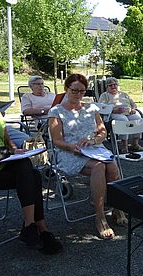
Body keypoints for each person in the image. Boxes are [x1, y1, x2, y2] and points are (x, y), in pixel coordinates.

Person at [0, 72, 62, 254]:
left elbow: (5, 138)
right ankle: (39, 228)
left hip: (1, 160)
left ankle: (31, 226)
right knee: (30, 175)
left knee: (28, 169)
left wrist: (14, 149)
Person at [48, 74, 126, 239]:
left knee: (111, 165)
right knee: (99, 166)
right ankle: (100, 216)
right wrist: (72, 146)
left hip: (94, 148)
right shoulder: (56, 111)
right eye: (74, 90)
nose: (78, 94)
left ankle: (116, 207)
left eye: (82, 91)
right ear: (66, 89)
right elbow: (57, 141)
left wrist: (94, 139)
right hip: (69, 152)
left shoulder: (91, 108)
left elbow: (103, 131)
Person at [98, 77, 143, 153]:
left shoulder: (124, 94)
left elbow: (133, 104)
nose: (113, 86)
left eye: (115, 84)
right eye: (110, 85)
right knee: (123, 120)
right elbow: (101, 107)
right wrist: (113, 110)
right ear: (107, 87)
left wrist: (133, 109)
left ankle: (135, 143)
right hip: (113, 114)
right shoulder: (104, 95)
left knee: (137, 119)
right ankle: (124, 145)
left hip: (128, 113)